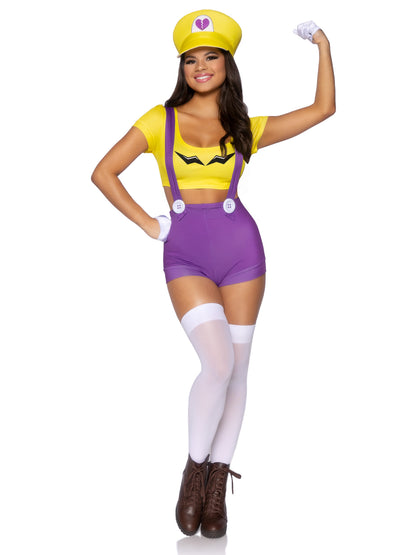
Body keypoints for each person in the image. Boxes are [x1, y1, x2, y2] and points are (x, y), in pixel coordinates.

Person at [91, 10, 335, 539]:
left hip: (242, 253)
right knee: (217, 362)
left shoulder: (246, 127)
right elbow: (103, 172)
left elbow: (323, 109)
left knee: (239, 370)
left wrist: (321, 43)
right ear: (182, 68)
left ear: (228, 64)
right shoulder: (158, 120)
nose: (200, 66)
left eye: (211, 57)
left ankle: (217, 482)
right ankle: (193, 470)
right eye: (191, 59)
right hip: (185, 255)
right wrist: (148, 224)